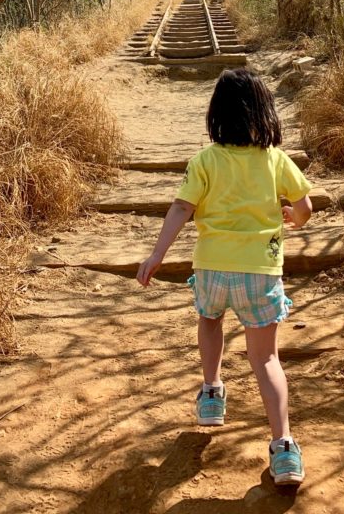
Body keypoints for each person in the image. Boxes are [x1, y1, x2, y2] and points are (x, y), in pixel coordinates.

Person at [136, 68, 312, 486]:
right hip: (259, 273)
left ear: (216, 114)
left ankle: (212, 393)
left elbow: (182, 208)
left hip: (212, 269)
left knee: (210, 321)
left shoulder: (206, 160)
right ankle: (283, 447)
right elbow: (304, 207)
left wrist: (157, 254)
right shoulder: (275, 161)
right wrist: (293, 217)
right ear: (265, 112)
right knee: (265, 358)